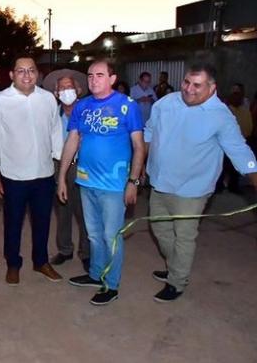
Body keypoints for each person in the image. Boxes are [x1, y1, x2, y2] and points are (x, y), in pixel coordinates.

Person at [145, 63, 257, 302]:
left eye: (197, 85)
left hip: (192, 190)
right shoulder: (165, 103)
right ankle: (175, 266)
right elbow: (149, 133)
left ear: (212, 87)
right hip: (159, 181)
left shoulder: (221, 116)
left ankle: (177, 281)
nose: (189, 89)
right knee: (160, 229)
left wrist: (254, 178)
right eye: (186, 82)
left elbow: (239, 151)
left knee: (184, 236)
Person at [59, 59, 144, 306]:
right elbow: (72, 142)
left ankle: (112, 284)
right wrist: (62, 177)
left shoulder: (127, 106)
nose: (94, 80)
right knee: (94, 235)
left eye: (99, 75)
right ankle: (96, 274)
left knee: (111, 236)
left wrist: (133, 182)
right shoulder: (81, 107)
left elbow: (139, 147)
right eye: (90, 75)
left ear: (112, 79)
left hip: (114, 185)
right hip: (86, 182)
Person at [0, 54, 63, 286]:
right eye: (21, 71)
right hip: (14, 176)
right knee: (13, 223)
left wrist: (59, 164)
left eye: (31, 70)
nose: (26, 75)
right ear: (11, 75)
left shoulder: (48, 99)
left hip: (44, 174)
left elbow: (56, 131)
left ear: (37, 74)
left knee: (43, 222)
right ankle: (13, 264)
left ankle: (41, 262)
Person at [50, 75, 90, 272]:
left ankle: (86, 253)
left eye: (70, 87)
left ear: (79, 90)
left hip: (83, 165)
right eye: (62, 87)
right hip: (58, 165)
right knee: (62, 210)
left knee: (84, 212)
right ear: (56, 93)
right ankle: (65, 249)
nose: (67, 91)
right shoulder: (52, 114)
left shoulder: (89, 111)